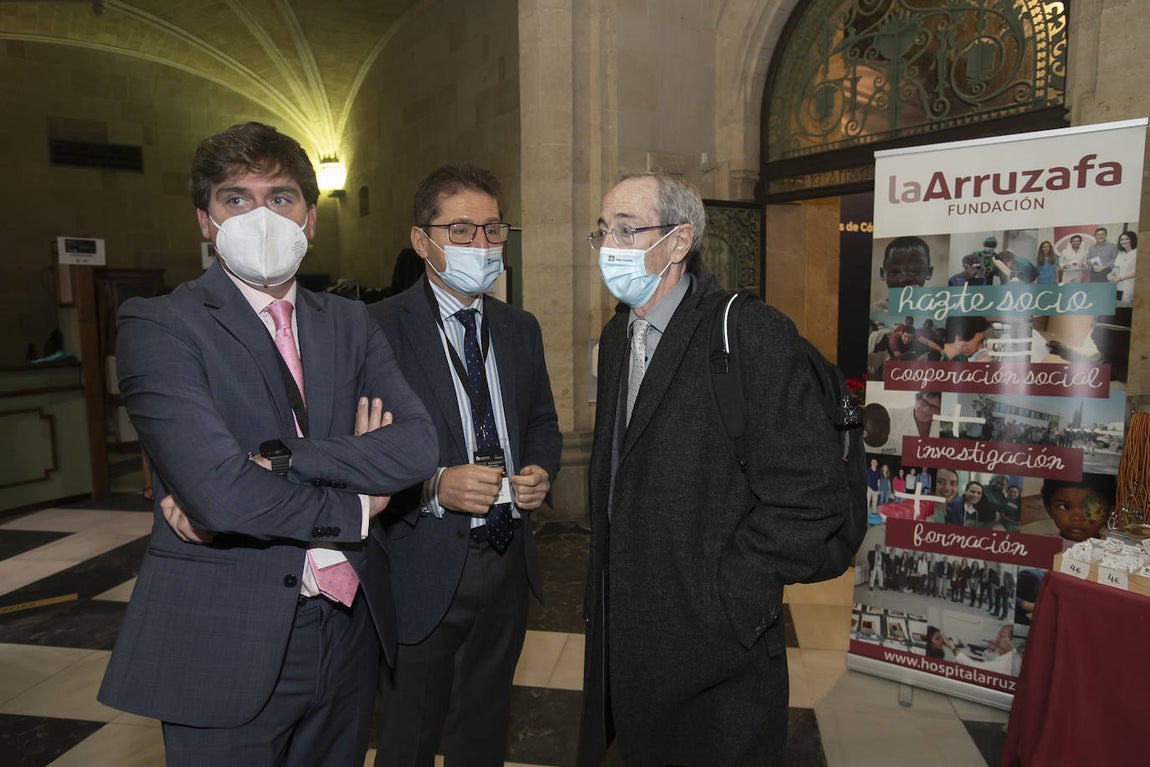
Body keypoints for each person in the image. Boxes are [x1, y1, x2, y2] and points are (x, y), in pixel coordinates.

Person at [97, 122, 439, 765]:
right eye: (236, 198)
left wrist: (284, 457)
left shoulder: (349, 320)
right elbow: (220, 494)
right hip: (226, 634)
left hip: (348, 627)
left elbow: (419, 446)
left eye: (280, 198)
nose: (261, 216)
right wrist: (358, 502)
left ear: (309, 219)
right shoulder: (160, 324)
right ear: (205, 220)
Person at [578, 172, 851, 765]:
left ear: (679, 242)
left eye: (628, 230)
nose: (608, 247)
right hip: (632, 634)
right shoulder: (618, 335)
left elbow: (812, 497)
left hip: (721, 652)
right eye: (602, 231)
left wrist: (734, 594)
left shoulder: (750, 333)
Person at [368, 165, 562, 766]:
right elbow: (361, 453)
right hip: (423, 561)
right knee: (411, 732)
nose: (481, 246)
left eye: (491, 229)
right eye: (461, 231)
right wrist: (432, 487)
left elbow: (542, 424)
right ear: (421, 240)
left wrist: (538, 472)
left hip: (506, 558)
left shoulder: (519, 327)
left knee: (485, 724)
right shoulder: (378, 330)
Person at [1023, 475, 1116, 541]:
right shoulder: (1040, 546)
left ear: (1109, 512)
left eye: (1091, 508)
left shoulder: (1115, 552)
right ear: (1048, 508)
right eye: (1064, 507)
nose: (1077, 518)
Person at [872, 236, 933, 311]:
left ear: (929, 273)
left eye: (916, 271)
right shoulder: (874, 311)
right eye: (896, 271)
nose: (905, 278)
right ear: (883, 274)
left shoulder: (936, 310)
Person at [945, 624, 1019, 676]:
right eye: (998, 635)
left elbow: (974, 667)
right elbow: (995, 661)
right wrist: (990, 651)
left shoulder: (1006, 662)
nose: (996, 638)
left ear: (1013, 641)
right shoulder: (1009, 654)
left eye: (1001, 636)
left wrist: (953, 648)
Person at [1108, 230, 1137, 302]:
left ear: (1132, 239)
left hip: (1129, 285)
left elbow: (1139, 272)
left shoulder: (1137, 253)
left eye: (1127, 239)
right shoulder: (1120, 253)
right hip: (1117, 285)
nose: (1124, 241)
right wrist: (1110, 275)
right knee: (1117, 304)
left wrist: (1121, 278)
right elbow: (1116, 268)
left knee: (1126, 305)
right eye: (1122, 239)